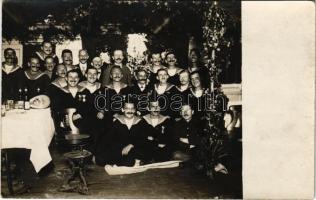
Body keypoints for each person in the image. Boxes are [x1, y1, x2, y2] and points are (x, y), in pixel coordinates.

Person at [95, 101, 151, 166]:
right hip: (120, 149)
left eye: (132, 108)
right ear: (123, 109)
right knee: (100, 159)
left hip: (134, 149)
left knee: (130, 160)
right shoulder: (117, 122)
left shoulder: (140, 122)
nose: (130, 111)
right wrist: (119, 150)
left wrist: (131, 145)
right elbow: (108, 138)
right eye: (127, 108)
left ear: (135, 110)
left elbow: (144, 138)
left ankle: (132, 162)